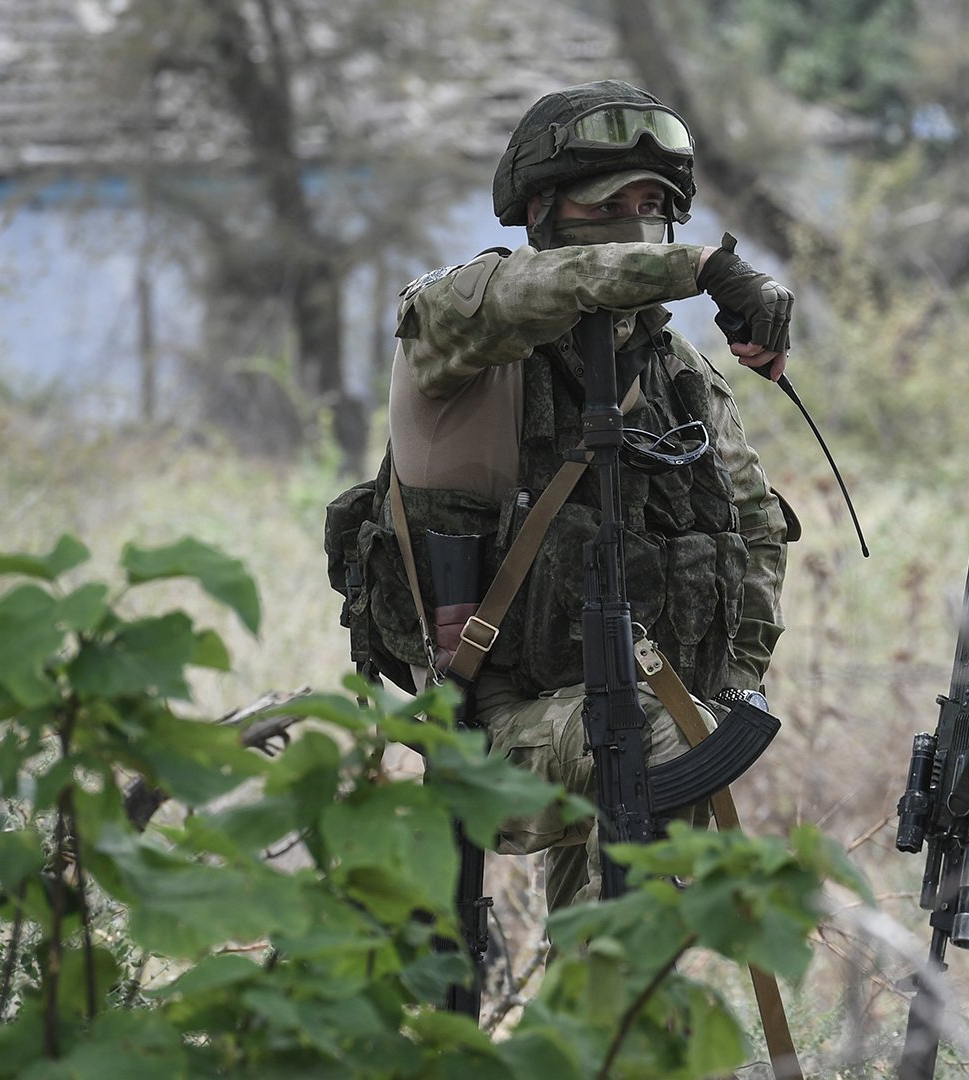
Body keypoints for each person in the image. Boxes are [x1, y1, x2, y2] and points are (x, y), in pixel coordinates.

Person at [369, 79, 796, 910]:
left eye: (654, 206)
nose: (635, 226)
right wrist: (697, 266)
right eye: (609, 206)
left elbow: (755, 530)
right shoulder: (459, 330)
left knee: (661, 744)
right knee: (654, 738)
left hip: (628, 707)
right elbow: (533, 290)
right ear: (543, 215)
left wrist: (733, 688)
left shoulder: (681, 378)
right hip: (494, 730)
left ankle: (608, 1020)